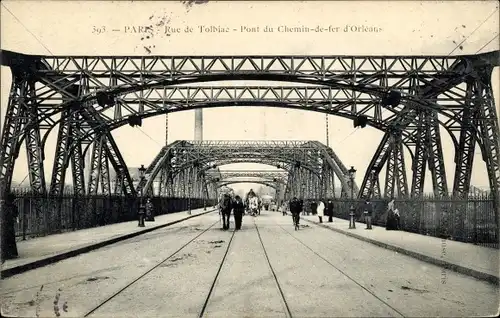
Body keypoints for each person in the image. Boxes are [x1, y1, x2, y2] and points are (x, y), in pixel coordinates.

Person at [2, 193, 19, 261]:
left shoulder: (4, 206)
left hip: (6, 224)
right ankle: (10, 254)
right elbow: (15, 215)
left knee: (7, 239)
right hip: (7, 224)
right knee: (9, 239)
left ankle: (8, 254)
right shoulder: (11, 206)